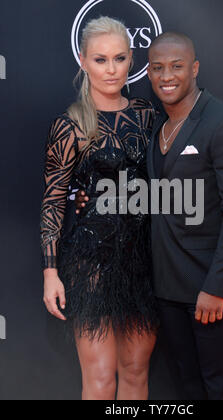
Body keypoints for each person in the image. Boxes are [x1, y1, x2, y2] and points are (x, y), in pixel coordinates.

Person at [76, 32, 223, 400]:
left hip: (211, 292)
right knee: (188, 389)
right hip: (169, 293)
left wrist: (215, 286)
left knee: (222, 391)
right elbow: (149, 196)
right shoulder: (157, 127)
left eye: (176, 67)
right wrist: (91, 200)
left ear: (195, 68)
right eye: (157, 68)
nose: (166, 76)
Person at [40, 16, 159, 401]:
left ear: (131, 59)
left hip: (143, 260)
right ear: (82, 60)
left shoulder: (147, 115)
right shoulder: (70, 124)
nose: (111, 70)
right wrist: (50, 271)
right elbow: (54, 199)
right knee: (101, 378)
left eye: (119, 58)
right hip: (91, 263)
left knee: (136, 372)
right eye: (100, 59)